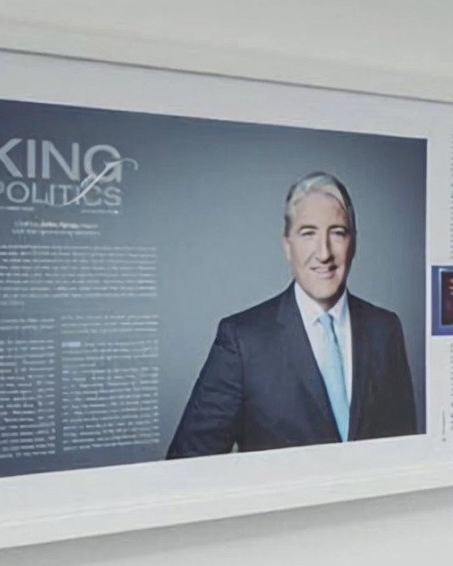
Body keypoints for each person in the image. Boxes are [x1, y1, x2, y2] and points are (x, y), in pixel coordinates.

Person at [167, 172, 418, 456]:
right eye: (308, 233)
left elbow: (405, 452)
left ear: (354, 243)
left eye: (337, 233)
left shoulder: (385, 329)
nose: (323, 253)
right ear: (287, 245)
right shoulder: (242, 341)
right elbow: (187, 465)